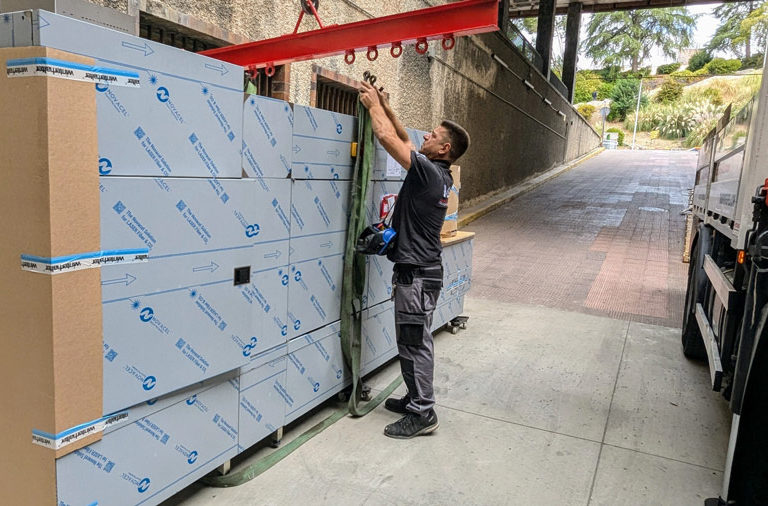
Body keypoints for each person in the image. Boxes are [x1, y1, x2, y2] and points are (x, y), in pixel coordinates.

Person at [358, 81, 470, 439]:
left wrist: (373, 105)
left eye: (433, 135)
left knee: (414, 342)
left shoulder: (427, 172)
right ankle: (414, 399)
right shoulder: (436, 173)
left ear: (444, 148)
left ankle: (423, 412)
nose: (425, 137)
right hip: (419, 275)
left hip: (416, 278)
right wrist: (388, 106)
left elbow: (390, 140)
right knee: (411, 340)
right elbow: (406, 138)